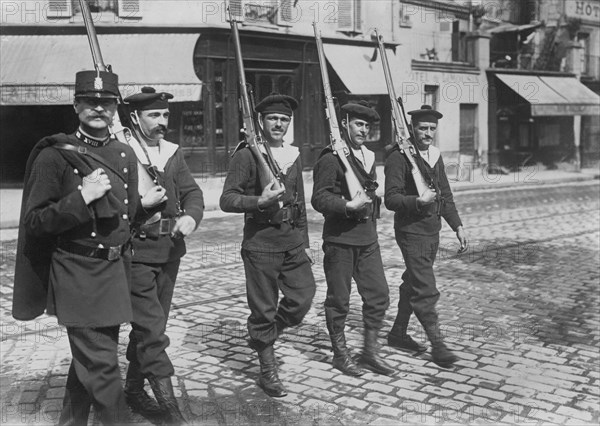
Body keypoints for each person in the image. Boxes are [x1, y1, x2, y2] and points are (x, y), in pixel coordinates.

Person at [12, 70, 164, 424]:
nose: (99, 108)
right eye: (91, 102)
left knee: (94, 361)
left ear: (114, 109)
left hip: (114, 272)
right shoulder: (55, 155)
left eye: (106, 103)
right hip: (77, 274)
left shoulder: (123, 153)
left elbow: (122, 218)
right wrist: (81, 197)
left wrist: (148, 206)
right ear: (76, 104)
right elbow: (35, 222)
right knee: (104, 371)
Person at [220, 93, 316, 397]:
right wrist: (258, 201)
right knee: (263, 308)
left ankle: (264, 336)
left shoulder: (293, 154)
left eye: (284, 119)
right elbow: (227, 199)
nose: (279, 124)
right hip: (260, 243)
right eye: (273, 118)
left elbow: (299, 201)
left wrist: (306, 242)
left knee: (303, 296)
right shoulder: (247, 154)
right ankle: (267, 369)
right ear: (261, 122)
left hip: (292, 241)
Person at [121, 87, 204, 423]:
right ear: (135, 118)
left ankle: (133, 389)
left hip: (169, 252)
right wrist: (141, 205)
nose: (162, 122)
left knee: (151, 326)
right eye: (153, 115)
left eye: (165, 115)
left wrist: (191, 216)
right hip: (137, 253)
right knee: (152, 331)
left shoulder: (172, 153)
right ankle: (171, 412)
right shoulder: (123, 152)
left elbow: (193, 192)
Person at [311, 100, 394, 377]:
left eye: (368, 126)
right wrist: (347, 205)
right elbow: (319, 198)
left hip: (367, 239)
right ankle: (340, 354)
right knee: (339, 300)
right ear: (344, 124)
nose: (363, 130)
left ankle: (369, 352)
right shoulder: (331, 157)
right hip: (340, 240)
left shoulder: (367, 155)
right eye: (359, 124)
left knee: (379, 294)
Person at [384, 104, 468, 368]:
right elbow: (391, 199)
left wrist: (457, 226)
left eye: (432, 128)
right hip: (411, 232)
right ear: (412, 128)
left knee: (413, 282)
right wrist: (418, 201)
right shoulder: (399, 157)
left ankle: (397, 333)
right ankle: (438, 345)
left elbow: (445, 193)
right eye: (423, 128)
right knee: (425, 288)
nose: (428, 133)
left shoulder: (434, 155)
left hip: (432, 231)